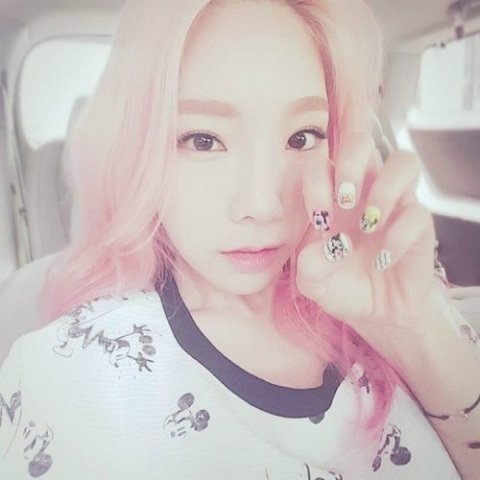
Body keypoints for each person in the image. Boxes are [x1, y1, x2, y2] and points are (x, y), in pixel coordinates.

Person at [1, 0, 479, 478]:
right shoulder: (69, 375)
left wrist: (412, 331)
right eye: (203, 140)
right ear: (139, 151)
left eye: (302, 137)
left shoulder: (396, 295)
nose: (263, 205)